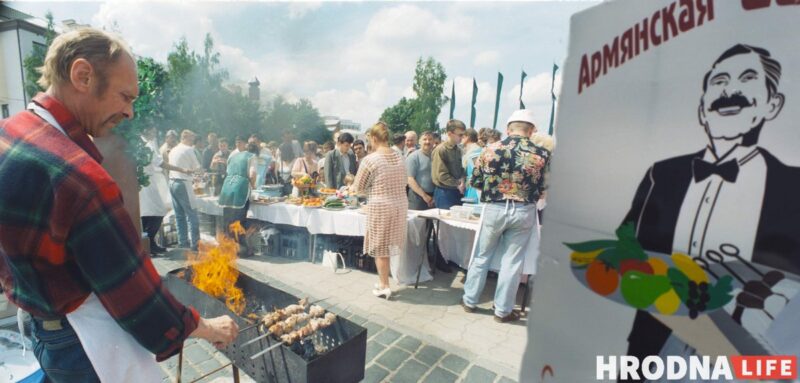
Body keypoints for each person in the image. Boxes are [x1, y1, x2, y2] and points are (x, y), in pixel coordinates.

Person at [0, 28, 237, 382]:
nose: (129, 113)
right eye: (124, 97)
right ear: (82, 76)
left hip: (37, 324)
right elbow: (135, 296)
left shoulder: (9, 132)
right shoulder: (81, 179)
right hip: (79, 343)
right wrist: (205, 327)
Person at [622, 44, 800, 373]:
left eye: (748, 79)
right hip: (653, 349)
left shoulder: (793, 187)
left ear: (772, 105)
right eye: (719, 81)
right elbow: (627, 247)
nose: (730, 90)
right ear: (703, 107)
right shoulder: (661, 174)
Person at [461, 109, 550, 323]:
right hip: (523, 210)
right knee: (512, 262)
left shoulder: (490, 150)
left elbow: (475, 182)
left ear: (508, 129)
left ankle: (470, 300)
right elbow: (545, 188)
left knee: (482, 256)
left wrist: (493, 196)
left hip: (494, 208)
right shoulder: (542, 154)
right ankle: (502, 311)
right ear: (530, 131)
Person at [352, 122, 408, 299]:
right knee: (388, 246)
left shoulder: (371, 159)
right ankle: (384, 280)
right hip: (399, 204)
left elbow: (358, 188)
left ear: (374, 138)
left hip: (381, 206)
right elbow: (403, 181)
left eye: (369, 140)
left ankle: (384, 285)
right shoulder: (399, 156)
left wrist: (356, 186)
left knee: (381, 247)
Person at [219, 142, 259, 256]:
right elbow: (252, 174)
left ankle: (226, 248)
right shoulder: (252, 156)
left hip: (227, 188)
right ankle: (241, 250)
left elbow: (227, 172)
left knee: (227, 220)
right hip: (240, 188)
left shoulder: (233, 156)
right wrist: (253, 185)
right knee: (239, 221)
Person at [169, 129, 203, 250]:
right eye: (191, 139)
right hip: (183, 183)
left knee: (179, 215)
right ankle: (196, 244)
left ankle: (182, 242)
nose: (193, 141)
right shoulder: (188, 149)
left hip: (172, 182)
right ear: (185, 138)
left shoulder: (174, 149)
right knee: (192, 214)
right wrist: (202, 175)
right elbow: (197, 167)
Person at [139, 126, 170, 255]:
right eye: (153, 131)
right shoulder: (147, 146)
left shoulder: (141, 143)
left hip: (143, 182)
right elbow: (161, 163)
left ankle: (149, 244)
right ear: (147, 131)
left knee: (146, 214)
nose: (155, 133)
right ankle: (149, 240)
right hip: (148, 182)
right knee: (159, 211)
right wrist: (181, 169)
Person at [431, 119, 466, 210]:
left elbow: (460, 169)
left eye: (463, 134)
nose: (462, 137)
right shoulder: (441, 149)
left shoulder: (457, 150)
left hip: (456, 191)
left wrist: (462, 179)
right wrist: (458, 183)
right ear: (450, 134)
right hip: (444, 193)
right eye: (460, 135)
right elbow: (442, 175)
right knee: (445, 223)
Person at [406, 131, 436, 211]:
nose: (427, 142)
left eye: (430, 139)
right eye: (425, 139)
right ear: (419, 141)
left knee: (430, 223)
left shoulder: (436, 157)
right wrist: (424, 196)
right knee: (417, 222)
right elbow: (410, 179)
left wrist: (433, 197)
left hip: (432, 198)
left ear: (434, 141)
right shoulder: (413, 157)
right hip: (417, 198)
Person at [461, 128, 482, 202]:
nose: (460, 138)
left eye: (462, 136)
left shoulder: (474, 152)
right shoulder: (479, 150)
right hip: (473, 186)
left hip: (473, 188)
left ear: (467, 137)